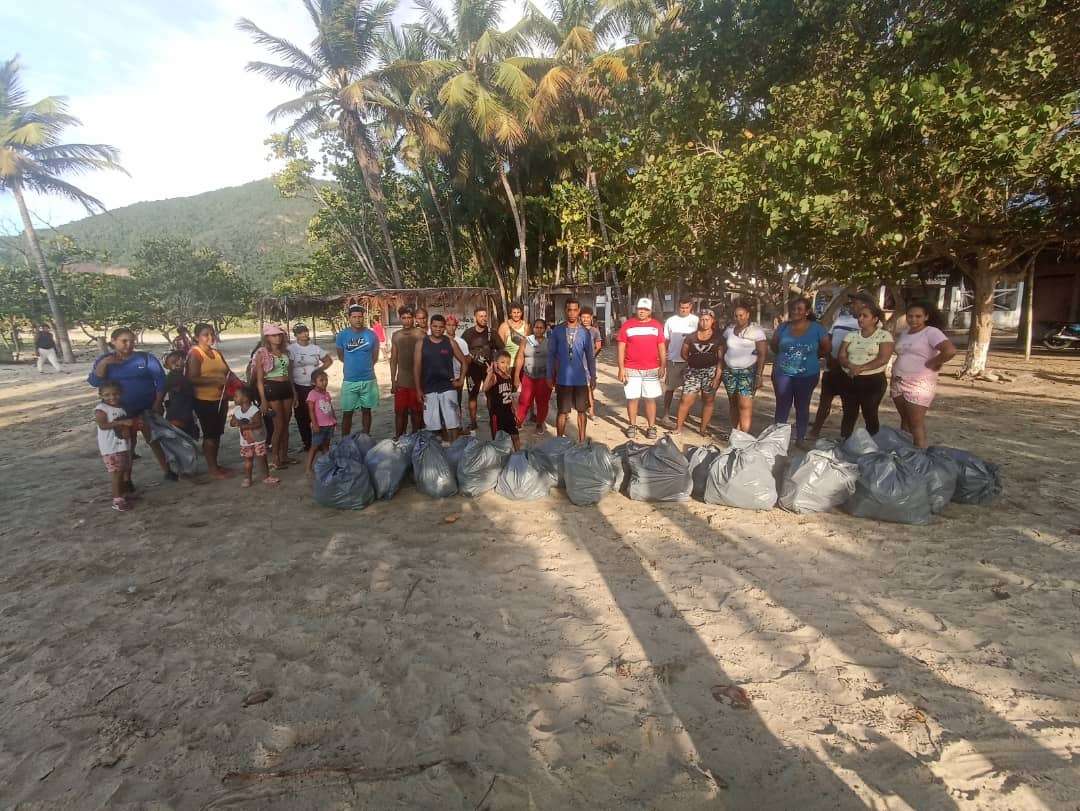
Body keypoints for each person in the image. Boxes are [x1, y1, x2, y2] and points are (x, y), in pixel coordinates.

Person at [88, 327, 172, 483]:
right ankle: (127, 480)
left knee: (154, 440)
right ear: (113, 342)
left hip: (146, 408)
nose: (128, 344)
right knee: (126, 445)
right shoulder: (105, 360)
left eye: (132, 341)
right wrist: (105, 363)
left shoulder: (145, 358)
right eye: (124, 341)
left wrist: (158, 403)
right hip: (120, 412)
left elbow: (161, 381)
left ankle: (168, 471)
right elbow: (95, 381)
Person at [891, 301, 957, 448]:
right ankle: (906, 453)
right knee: (905, 420)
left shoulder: (931, 332)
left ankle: (920, 458)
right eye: (910, 316)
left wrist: (934, 362)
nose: (913, 320)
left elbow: (950, 350)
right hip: (898, 381)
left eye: (918, 316)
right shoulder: (904, 333)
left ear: (926, 316)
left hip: (918, 383)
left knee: (916, 424)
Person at [770, 297, 830, 444]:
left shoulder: (817, 328)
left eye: (799, 309)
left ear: (807, 312)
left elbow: (826, 348)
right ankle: (778, 440)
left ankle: (800, 438)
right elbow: (774, 346)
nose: (795, 312)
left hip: (807, 375)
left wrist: (811, 356)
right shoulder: (783, 327)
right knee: (782, 405)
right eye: (793, 309)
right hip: (783, 373)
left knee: (802, 406)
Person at [808, 294, 865, 441]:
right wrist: (829, 358)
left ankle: (845, 437)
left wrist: (847, 364)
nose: (852, 306)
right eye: (851, 303)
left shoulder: (870, 324)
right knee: (824, 402)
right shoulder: (840, 320)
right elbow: (829, 341)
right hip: (832, 368)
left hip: (851, 371)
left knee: (850, 406)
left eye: (855, 303)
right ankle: (815, 431)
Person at [838, 301, 894, 438]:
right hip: (850, 378)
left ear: (875, 319)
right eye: (859, 316)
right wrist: (851, 366)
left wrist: (861, 368)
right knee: (849, 413)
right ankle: (845, 440)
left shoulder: (884, 336)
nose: (860, 319)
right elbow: (842, 355)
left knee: (870, 412)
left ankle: (873, 442)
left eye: (865, 316)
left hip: (873, 381)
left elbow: (883, 358)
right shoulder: (851, 335)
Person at [186, 323, 234, 479]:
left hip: (221, 399)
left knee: (217, 433)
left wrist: (241, 385)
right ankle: (212, 468)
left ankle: (215, 463)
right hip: (204, 401)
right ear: (196, 337)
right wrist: (214, 381)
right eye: (205, 334)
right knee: (210, 435)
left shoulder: (217, 353)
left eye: (212, 333)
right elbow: (192, 379)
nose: (210, 337)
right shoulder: (195, 354)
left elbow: (228, 373)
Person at [547, 299, 597, 443]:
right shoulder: (557, 331)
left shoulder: (585, 333)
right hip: (563, 379)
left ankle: (581, 440)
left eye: (575, 310)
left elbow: (590, 357)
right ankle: (559, 442)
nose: (572, 313)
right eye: (569, 310)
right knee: (562, 411)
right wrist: (549, 376)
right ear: (565, 310)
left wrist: (593, 377)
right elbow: (551, 355)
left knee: (582, 411)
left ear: (579, 311)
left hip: (580, 379)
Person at [616, 298, 666, 440]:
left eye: (645, 309)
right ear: (636, 309)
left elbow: (661, 347)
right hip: (631, 369)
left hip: (651, 368)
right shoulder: (627, 325)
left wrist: (663, 365)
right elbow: (621, 348)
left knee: (650, 398)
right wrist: (621, 368)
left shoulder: (656, 326)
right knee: (632, 398)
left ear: (650, 311)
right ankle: (632, 425)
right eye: (639, 309)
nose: (642, 311)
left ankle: (651, 427)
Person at [414, 314, 469, 442]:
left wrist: (460, 380)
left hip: (448, 388)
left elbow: (464, 362)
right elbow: (416, 367)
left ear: (444, 328)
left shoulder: (450, 342)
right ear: (430, 326)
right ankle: (436, 454)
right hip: (429, 388)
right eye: (435, 326)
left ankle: (454, 450)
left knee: (453, 424)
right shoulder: (421, 343)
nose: (438, 329)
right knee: (433, 426)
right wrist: (418, 390)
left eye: (440, 327)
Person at [721, 302, 768, 434]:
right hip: (729, 372)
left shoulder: (756, 332)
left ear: (747, 315)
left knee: (745, 405)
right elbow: (723, 350)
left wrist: (759, 375)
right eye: (736, 316)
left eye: (741, 315)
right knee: (733, 403)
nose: (739, 318)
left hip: (747, 373)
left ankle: (744, 435)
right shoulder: (729, 331)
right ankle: (735, 431)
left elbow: (763, 354)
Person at [252, 324, 295, 470]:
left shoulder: (285, 352)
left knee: (286, 424)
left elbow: (289, 375)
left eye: (279, 335)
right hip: (272, 388)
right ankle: (276, 458)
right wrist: (263, 400)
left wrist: (294, 393)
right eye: (273, 335)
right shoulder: (262, 353)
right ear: (267, 337)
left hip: (286, 388)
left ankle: (284, 455)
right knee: (279, 425)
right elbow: (259, 380)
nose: (277, 337)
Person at [675, 308, 722, 438]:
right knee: (685, 399)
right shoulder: (691, 336)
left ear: (712, 321)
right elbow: (683, 353)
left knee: (708, 400)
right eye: (701, 319)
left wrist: (717, 377)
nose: (704, 322)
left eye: (707, 320)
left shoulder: (718, 338)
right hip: (693, 372)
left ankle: (703, 429)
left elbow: (721, 359)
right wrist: (693, 362)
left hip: (710, 372)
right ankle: (678, 427)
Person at [335, 305, 380, 436]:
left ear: (363, 317)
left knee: (367, 410)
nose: (357, 320)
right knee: (347, 412)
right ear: (349, 318)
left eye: (360, 317)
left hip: (368, 379)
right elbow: (341, 356)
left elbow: (375, 357)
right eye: (354, 317)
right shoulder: (342, 336)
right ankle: (345, 440)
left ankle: (366, 437)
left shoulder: (371, 335)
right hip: (350, 380)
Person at [287, 323, 332, 452]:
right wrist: (293, 389)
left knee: (319, 413)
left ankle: (320, 442)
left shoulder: (315, 348)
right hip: (298, 385)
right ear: (295, 335)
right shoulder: (292, 349)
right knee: (301, 415)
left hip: (314, 387)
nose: (304, 334)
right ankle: (307, 443)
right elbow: (289, 370)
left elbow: (328, 360)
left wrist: (318, 372)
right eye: (300, 332)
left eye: (306, 331)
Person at [94, 381, 135, 512]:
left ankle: (122, 495)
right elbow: (103, 425)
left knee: (122, 471)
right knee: (116, 474)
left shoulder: (121, 408)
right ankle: (117, 500)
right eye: (107, 395)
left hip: (122, 445)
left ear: (121, 394)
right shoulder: (101, 409)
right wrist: (122, 422)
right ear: (100, 395)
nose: (112, 397)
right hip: (110, 448)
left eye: (115, 394)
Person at [230, 385, 279, 487]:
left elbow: (258, 424)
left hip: (257, 440)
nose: (234, 398)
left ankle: (264, 477)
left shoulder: (254, 410)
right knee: (249, 460)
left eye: (236, 396)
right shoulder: (237, 411)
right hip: (246, 442)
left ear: (245, 398)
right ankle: (248, 478)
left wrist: (243, 425)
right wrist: (237, 422)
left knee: (261, 459)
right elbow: (232, 423)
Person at [389, 306, 425, 437]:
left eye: (409, 318)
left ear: (413, 318)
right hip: (402, 381)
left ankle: (416, 437)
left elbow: (425, 358)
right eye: (404, 318)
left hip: (417, 382)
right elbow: (393, 360)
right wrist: (393, 381)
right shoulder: (396, 335)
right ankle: (399, 437)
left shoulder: (420, 334)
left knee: (416, 412)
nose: (407, 320)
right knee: (400, 412)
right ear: (400, 319)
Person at [663, 298, 699, 423]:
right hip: (673, 359)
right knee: (669, 388)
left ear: (690, 307)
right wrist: (664, 357)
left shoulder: (696, 321)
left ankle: (686, 414)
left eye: (686, 307)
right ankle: (666, 414)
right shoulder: (670, 321)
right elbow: (666, 340)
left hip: (691, 361)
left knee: (688, 390)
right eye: (681, 307)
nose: (683, 310)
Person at [514, 317, 552, 435]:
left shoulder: (549, 342)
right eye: (536, 327)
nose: (538, 330)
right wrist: (516, 376)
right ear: (533, 328)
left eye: (541, 328)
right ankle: (518, 422)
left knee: (542, 402)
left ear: (545, 329)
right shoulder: (526, 340)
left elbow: (554, 360)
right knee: (524, 401)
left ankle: (540, 423)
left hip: (543, 377)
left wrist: (552, 377)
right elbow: (520, 357)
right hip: (528, 376)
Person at [464, 307, 494, 432]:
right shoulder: (468, 333)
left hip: (488, 371)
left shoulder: (492, 333)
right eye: (481, 316)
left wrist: (495, 364)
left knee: (490, 396)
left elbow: (502, 349)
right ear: (475, 317)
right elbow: (461, 350)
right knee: (472, 396)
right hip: (472, 370)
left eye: (485, 316)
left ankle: (493, 420)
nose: (484, 318)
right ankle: (473, 422)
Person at [485, 350, 521, 449]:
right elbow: (485, 388)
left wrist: (514, 408)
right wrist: (489, 374)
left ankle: (519, 456)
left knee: (515, 436)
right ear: (496, 363)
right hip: (497, 414)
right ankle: (499, 459)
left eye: (508, 363)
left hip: (508, 412)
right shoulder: (494, 377)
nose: (506, 365)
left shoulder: (508, 377)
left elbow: (509, 394)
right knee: (498, 440)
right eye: (502, 362)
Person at [306, 369, 337, 473]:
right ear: (314, 382)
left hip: (329, 424)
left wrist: (334, 419)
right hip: (319, 425)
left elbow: (330, 407)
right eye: (321, 380)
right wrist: (314, 424)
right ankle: (308, 467)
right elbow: (311, 410)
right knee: (314, 447)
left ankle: (327, 465)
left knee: (326, 446)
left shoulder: (327, 393)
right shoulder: (312, 394)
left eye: (326, 380)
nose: (325, 382)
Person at [163, 350, 198, 439]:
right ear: (167, 366)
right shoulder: (173, 377)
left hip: (186, 414)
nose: (178, 362)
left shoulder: (182, 375)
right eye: (173, 362)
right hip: (178, 415)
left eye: (180, 359)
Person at [580, 307, 603, 419]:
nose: (585, 319)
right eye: (583, 317)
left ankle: (592, 411)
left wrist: (591, 355)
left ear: (591, 318)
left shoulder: (595, 331)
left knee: (589, 388)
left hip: (589, 364)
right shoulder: (576, 329)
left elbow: (598, 346)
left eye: (587, 317)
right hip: (576, 362)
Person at [497, 302, 529, 371]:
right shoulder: (504, 326)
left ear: (521, 313)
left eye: (518, 312)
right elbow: (499, 348)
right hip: (508, 365)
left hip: (522, 365)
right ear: (510, 314)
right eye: (514, 312)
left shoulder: (526, 326)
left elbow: (528, 345)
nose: (516, 315)